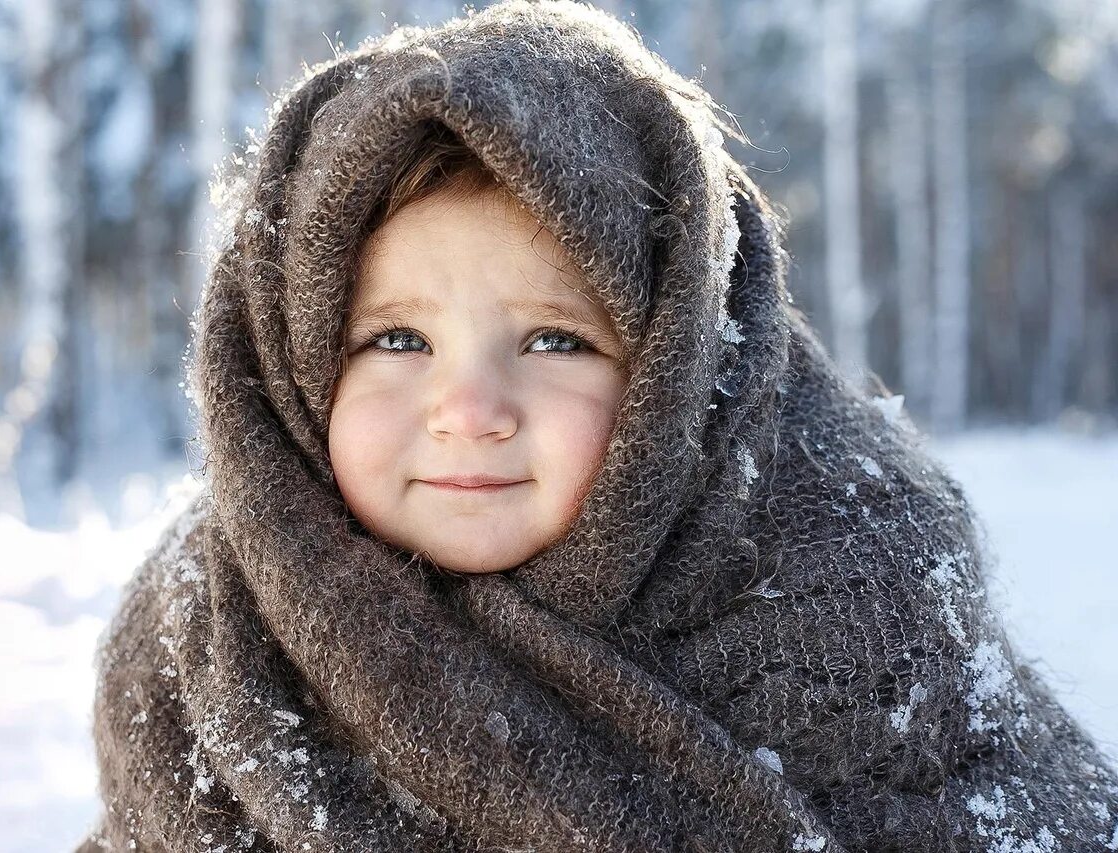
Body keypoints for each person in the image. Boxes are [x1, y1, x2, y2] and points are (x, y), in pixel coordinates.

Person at [77, 1, 1118, 851]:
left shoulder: (860, 606)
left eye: (554, 341)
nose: (468, 411)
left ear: (683, 379)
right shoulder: (212, 650)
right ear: (292, 370)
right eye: (395, 341)